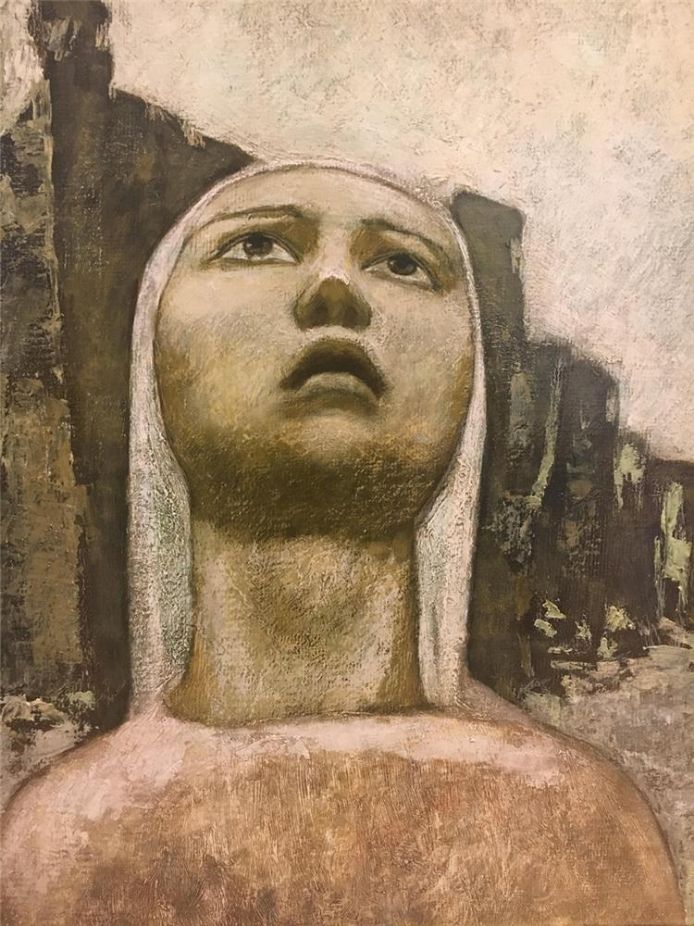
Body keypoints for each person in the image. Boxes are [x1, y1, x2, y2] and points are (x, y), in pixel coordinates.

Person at [1, 162, 683, 924]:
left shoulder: (585, 838)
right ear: (152, 349)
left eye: (402, 263)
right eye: (257, 245)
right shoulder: (56, 848)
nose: (335, 288)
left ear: (470, 379)